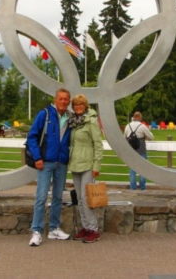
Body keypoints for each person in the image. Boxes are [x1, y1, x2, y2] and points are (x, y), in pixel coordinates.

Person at [26, 87, 72, 247]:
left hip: (61, 162)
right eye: (61, 98)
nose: (63, 102)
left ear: (69, 102)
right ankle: (36, 231)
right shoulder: (44, 114)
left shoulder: (70, 118)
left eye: (66, 99)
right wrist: (37, 157)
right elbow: (32, 137)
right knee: (42, 197)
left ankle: (54, 228)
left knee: (58, 197)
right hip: (45, 162)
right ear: (55, 99)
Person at [67, 94, 103, 243]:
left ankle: (93, 229)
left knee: (86, 197)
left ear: (85, 106)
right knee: (79, 198)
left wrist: (97, 165)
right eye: (75, 105)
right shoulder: (74, 123)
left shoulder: (91, 121)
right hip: (75, 163)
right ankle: (85, 227)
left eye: (80, 104)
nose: (78, 107)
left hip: (88, 164)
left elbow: (98, 144)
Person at [124, 111, 154, 190]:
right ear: (140, 118)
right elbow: (151, 137)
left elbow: (125, 137)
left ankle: (133, 188)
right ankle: (142, 188)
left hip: (131, 151)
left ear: (133, 117)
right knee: (143, 169)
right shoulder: (142, 126)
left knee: (132, 170)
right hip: (141, 150)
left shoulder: (128, 126)